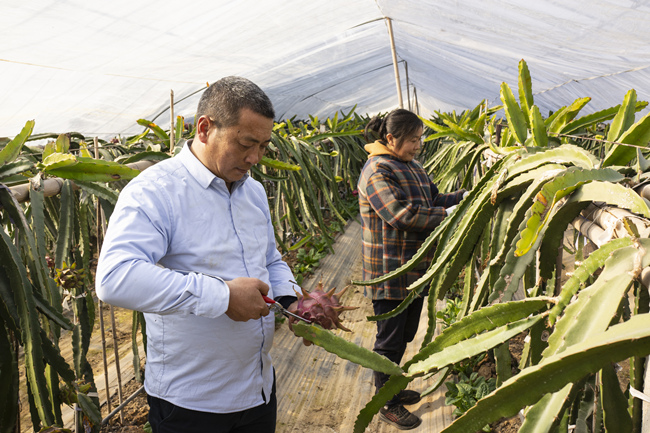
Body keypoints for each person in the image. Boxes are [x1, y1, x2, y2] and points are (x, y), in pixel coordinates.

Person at [96, 76, 300, 433]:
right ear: (204, 128)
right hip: (192, 403)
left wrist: (291, 299)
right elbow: (116, 278)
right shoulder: (155, 191)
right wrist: (221, 296)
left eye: (263, 146)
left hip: (258, 387)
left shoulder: (252, 191)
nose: (254, 158)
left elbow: (269, 257)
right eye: (245, 144)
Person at [357, 108, 466, 430]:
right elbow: (401, 215)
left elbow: (435, 198)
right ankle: (385, 402)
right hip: (390, 269)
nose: (419, 145)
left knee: (404, 334)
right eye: (413, 139)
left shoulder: (411, 166)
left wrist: (467, 196)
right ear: (391, 138)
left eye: (420, 139)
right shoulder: (377, 170)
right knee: (388, 340)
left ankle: (392, 385)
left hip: (416, 268)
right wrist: (448, 215)